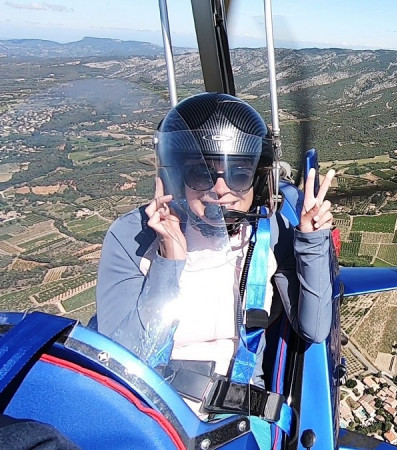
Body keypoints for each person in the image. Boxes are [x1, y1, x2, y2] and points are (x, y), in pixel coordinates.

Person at [95, 92, 335, 416]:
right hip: (153, 411)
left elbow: (314, 327)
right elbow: (122, 362)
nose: (221, 189)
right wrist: (170, 261)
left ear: (257, 180)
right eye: (201, 173)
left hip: (243, 414)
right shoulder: (134, 236)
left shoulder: (269, 232)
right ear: (177, 177)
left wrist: (312, 239)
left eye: (238, 173)